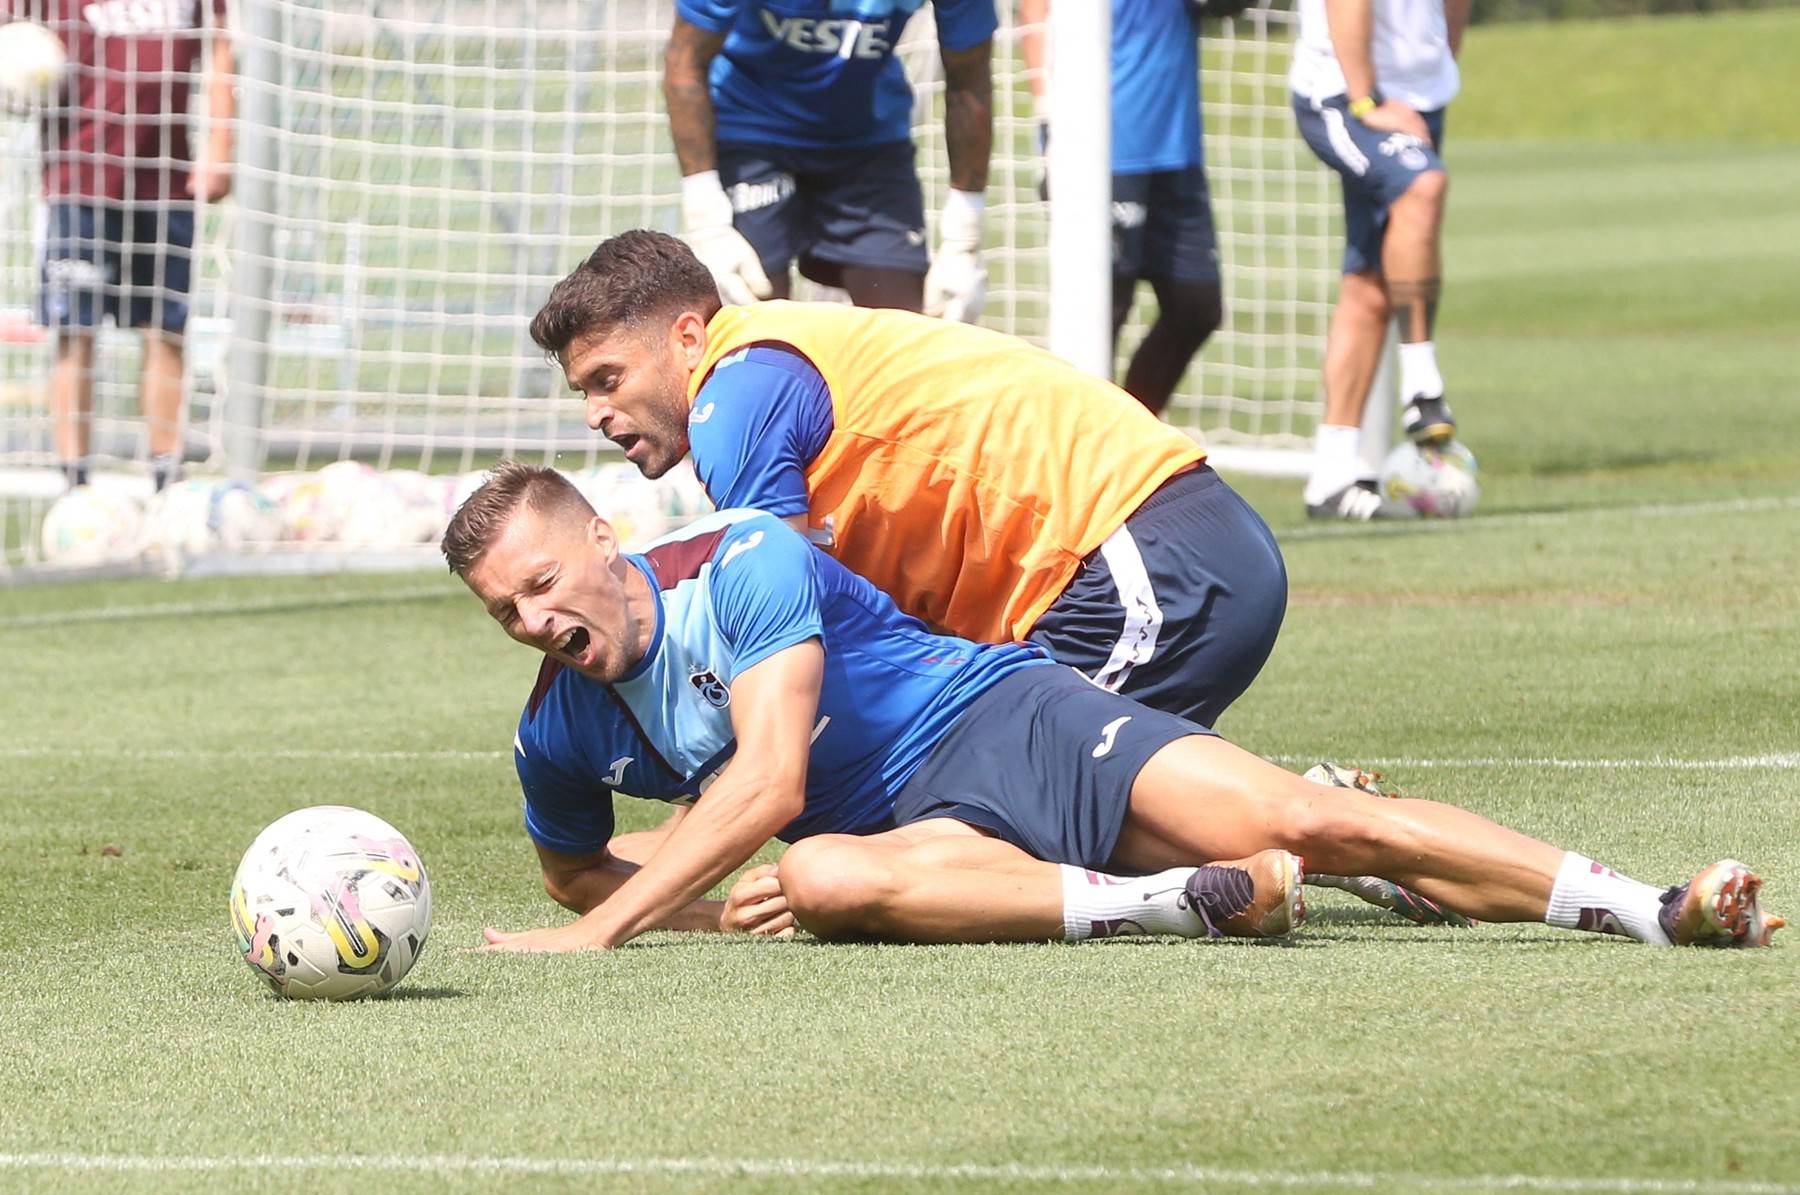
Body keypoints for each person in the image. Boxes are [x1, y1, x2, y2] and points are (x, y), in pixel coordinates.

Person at [442, 461, 1783, 953]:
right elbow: (570, 865)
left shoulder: (741, 557)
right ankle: (1182, 899)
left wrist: (616, 926)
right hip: (923, 841)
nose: (533, 624)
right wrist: (691, 896)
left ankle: (1647, 906)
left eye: (542, 584)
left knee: (1305, 815)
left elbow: (770, 775)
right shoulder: (553, 723)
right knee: (832, 879)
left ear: (606, 540)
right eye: (505, 611)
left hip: (1004, 721)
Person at [528, 229, 1287, 729]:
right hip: (1150, 552)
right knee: (998, 805)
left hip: (1136, 561)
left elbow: (792, 639)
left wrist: (715, 808)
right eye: (583, 392)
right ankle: (1325, 823)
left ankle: (1338, 832)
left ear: (687, 337)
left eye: (608, 377)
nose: (596, 411)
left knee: (1008, 812)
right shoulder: (766, 360)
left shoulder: (733, 402)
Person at [12, 0, 233, 493]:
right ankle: (75, 483)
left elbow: (219, 45)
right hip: (77, 177)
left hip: (166, 181)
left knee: (165, 332)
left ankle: (166, 477)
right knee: (75, 331)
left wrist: (221, 144)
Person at [662, 0, 993, 320]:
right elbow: (686, 61)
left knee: (904, 329)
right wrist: (707, 220)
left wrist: (963, 238)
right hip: (751, 128)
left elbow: (970, 82)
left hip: (867, 139)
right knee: (751, 322)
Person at [1018, 0, 1247, 416]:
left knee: (1196, 306)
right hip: (1102, 147)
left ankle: (1131, 431)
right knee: (1102, 312)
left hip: (1175, 148)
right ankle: (1077, 449)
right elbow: (1034, 13)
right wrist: (1048, 115)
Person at [1290, 0, 1465, 519]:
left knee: (1370, 281)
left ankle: (1332, 473)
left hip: (1420, 94)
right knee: (1423, 186)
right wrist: (1365, 101)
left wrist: (1439, 62)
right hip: (1344, 92)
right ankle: (1422, 388)